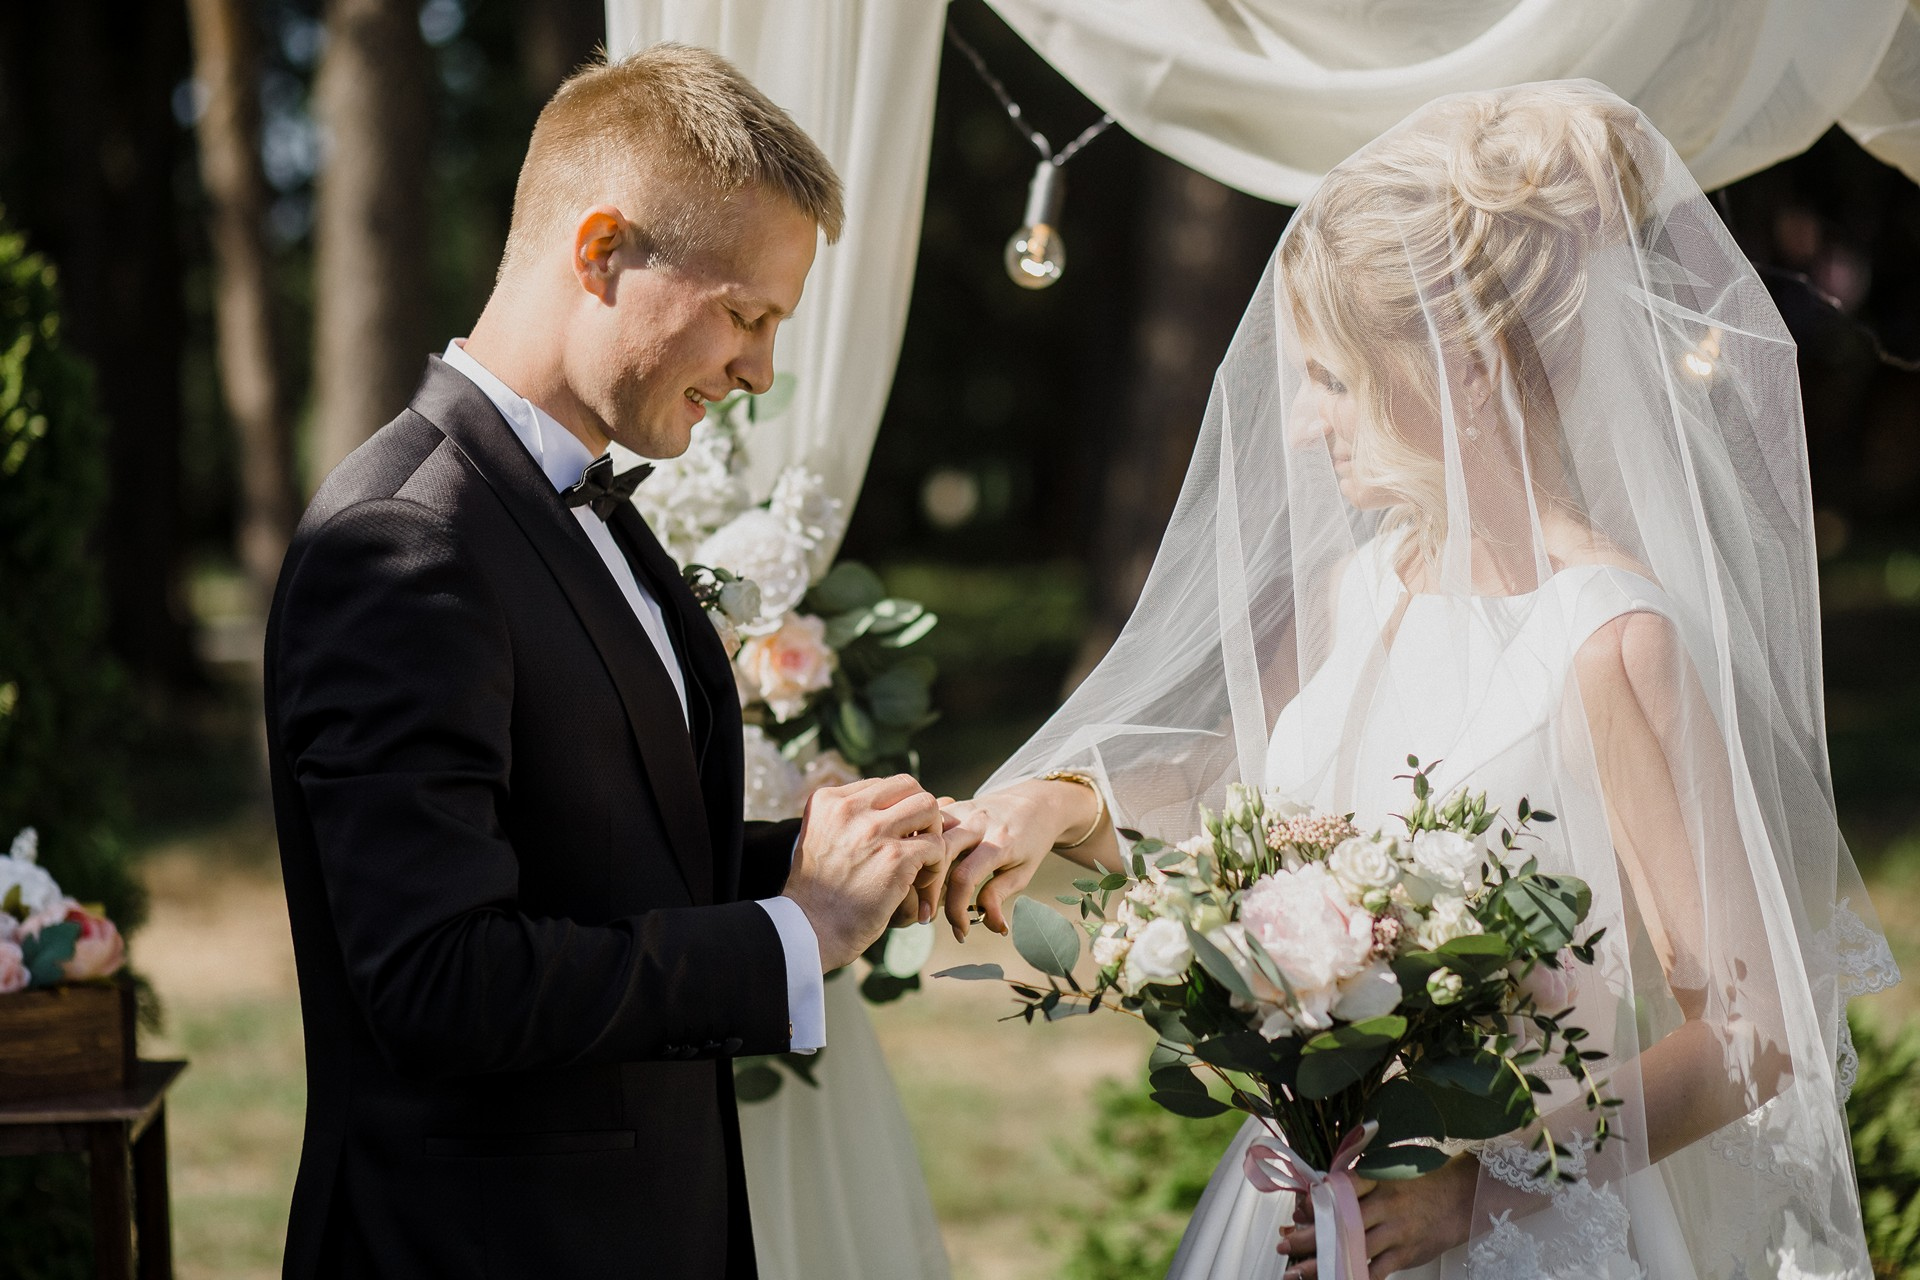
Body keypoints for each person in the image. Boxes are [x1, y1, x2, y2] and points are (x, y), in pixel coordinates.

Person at [944, 81, 1895, 1278]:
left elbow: (1756, 1036)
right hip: (1303, 1211)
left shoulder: (1610, 637)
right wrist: (1063, 802)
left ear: (1465, 371)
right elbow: (1219, 809)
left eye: (1331, 378)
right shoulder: (1371, 587)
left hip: (1506, 1227)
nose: (1300, 425)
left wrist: (1488, 1180)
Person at [265, 45, 953, 1279]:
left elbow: (591, 859)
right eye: (746, 315)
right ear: (599, 253)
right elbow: (437, 977)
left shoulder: (586, 498)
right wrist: (790, 933)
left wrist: (826, 862)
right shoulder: (404, 542)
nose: (761, 371)